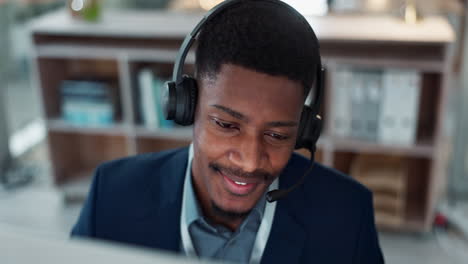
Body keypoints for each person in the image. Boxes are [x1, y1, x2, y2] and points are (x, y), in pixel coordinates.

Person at [71, 0, 384, 263]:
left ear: (303, 131)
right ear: (186, 105)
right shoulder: (112, 196)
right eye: (227, 125)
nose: (249, 162)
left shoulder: (348, 215)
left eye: (277, 135)